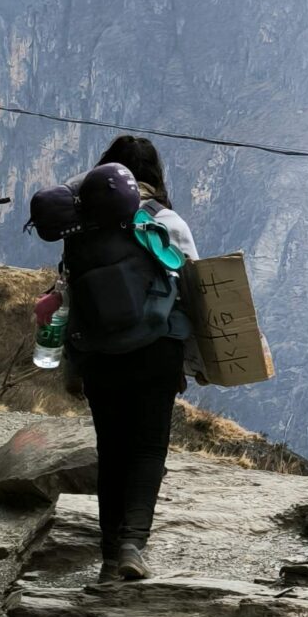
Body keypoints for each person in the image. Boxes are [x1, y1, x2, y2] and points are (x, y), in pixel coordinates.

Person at [61, 135, 197, 583]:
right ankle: (132, 546)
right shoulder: (165, 220)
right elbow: (195, 290)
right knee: (147, 448)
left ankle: (105, 554)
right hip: (157, 349)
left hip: (99, 352)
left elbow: (69, 295)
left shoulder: (81, 226)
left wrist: (73, 362)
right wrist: (194, 362)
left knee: (112, 449)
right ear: (154, 174)